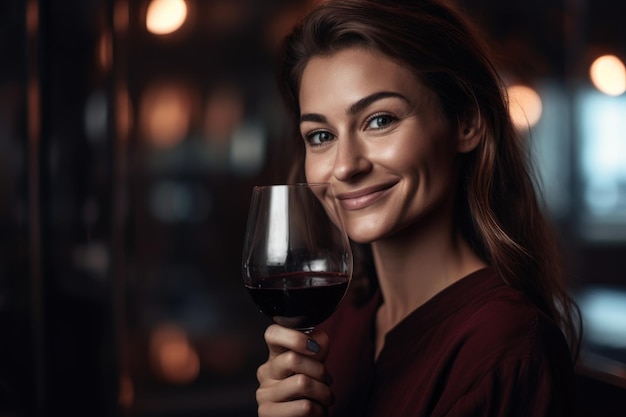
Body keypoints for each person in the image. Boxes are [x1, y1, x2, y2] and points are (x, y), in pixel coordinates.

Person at [256, 0, 581, 416]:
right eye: (320, 135)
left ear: (466, 122)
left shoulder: (504, 349)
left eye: (379, 120)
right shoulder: (338, 324)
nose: (345, 166)